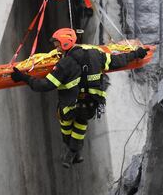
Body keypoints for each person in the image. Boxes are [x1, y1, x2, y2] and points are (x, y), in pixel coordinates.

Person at [11, 28, 148, 168]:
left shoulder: (65, 65)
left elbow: (45, 85)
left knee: (66, 125)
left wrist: (23, 77)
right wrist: (137, 53)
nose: (55, 47)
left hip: (69, 107)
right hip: (91, 105)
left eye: (57, 44)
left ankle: (71, 151)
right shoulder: (96, 54)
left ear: (65, 43)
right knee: (81, 124)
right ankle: (75, 153)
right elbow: (118, 60)